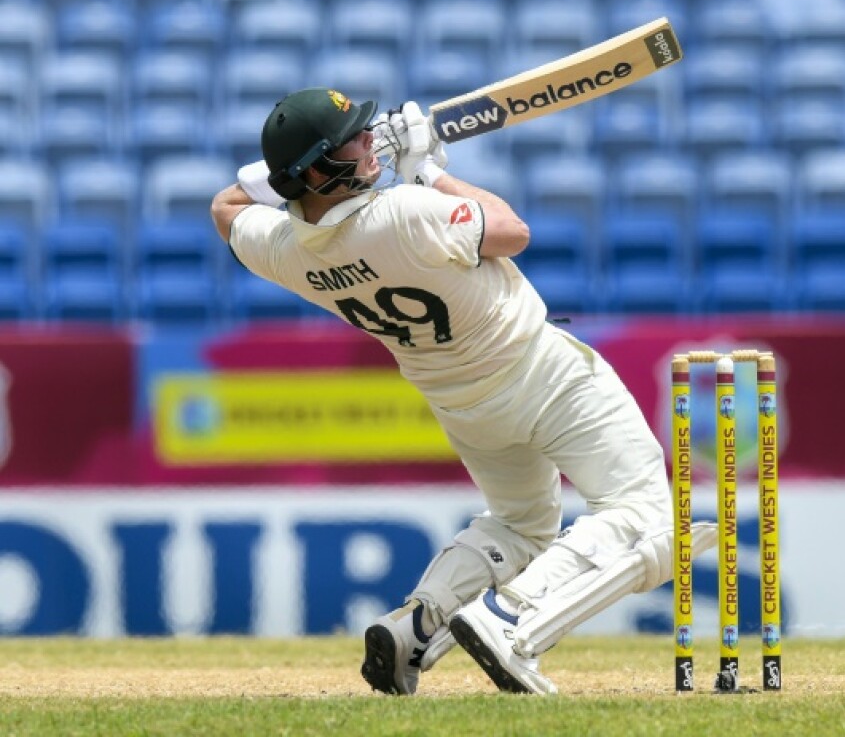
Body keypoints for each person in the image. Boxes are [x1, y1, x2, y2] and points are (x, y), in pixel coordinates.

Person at [209, 87, 715, 695]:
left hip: (461, 405)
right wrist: (426, 172)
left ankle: (413, 629)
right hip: (539, 372)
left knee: (522, 527)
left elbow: (225, 206)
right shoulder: (405, 211)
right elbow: (512, 231)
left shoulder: (285, 251)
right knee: (649, 519)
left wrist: (294, 176)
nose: (371, 141)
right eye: (355, 139)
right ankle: (512, 618)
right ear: (319, 167)